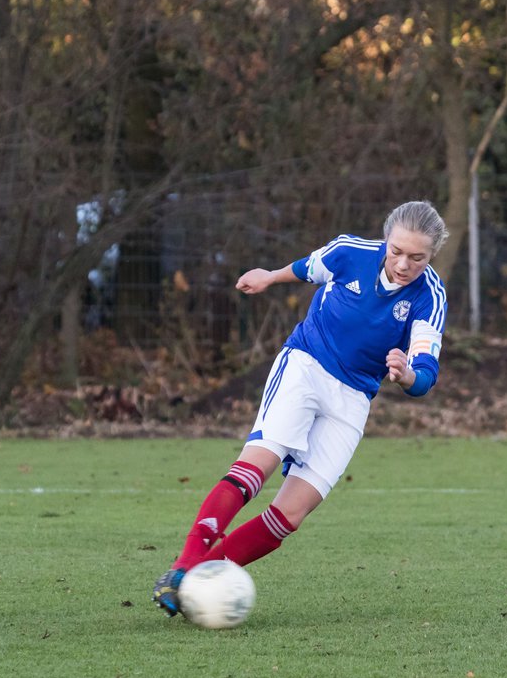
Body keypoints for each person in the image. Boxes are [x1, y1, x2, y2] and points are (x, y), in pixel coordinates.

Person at [151, 200, 449, 616]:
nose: (403, 264)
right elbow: (309, 267)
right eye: (396, 251)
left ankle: (202, 578)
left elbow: (425, 373)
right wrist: (269, 277)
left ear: (431, 256)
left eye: (417, 258)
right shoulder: (351, 253)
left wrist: (405, 376)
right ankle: (182, 568)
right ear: (385, 240)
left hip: (353, 398)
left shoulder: (429, 296)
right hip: (305, 366)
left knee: (291, 513)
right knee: (258, 465)